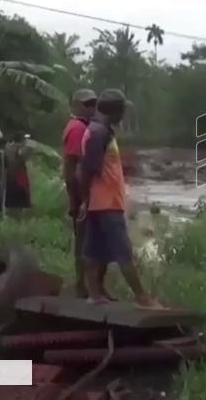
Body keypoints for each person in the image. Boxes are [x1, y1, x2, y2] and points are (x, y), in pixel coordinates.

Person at [78, 89, 161, 308]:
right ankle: (142, 297)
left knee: (94, 251)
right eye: (123, 110)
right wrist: (85, 200)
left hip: (102, 202)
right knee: (124, 251)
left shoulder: (101, 131)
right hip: (106, 204)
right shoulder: (98, 134)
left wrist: (88, 201)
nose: (124, 114)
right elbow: (86, 170)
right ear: (115, 111)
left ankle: (95, 295)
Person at [63, 89, 99, 298]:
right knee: (86, 242)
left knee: (85, 241)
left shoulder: (82, 127)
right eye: (87, 104)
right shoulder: (77, 129)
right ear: (76, 105)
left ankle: (83, 286)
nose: (91, 107)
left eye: (94, 103)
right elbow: (74, 168)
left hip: (81, 194)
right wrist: (80, 199)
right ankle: (83, 286)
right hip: (81, 194)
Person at [4, 132, 33, 217]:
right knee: (19, 204)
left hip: (9, 177)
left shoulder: (7, 147)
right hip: (18, 178)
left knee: (10, 202)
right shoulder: (20, 148)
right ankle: (16, 219)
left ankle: (11, 219)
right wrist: (28, 144)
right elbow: (24, 156)